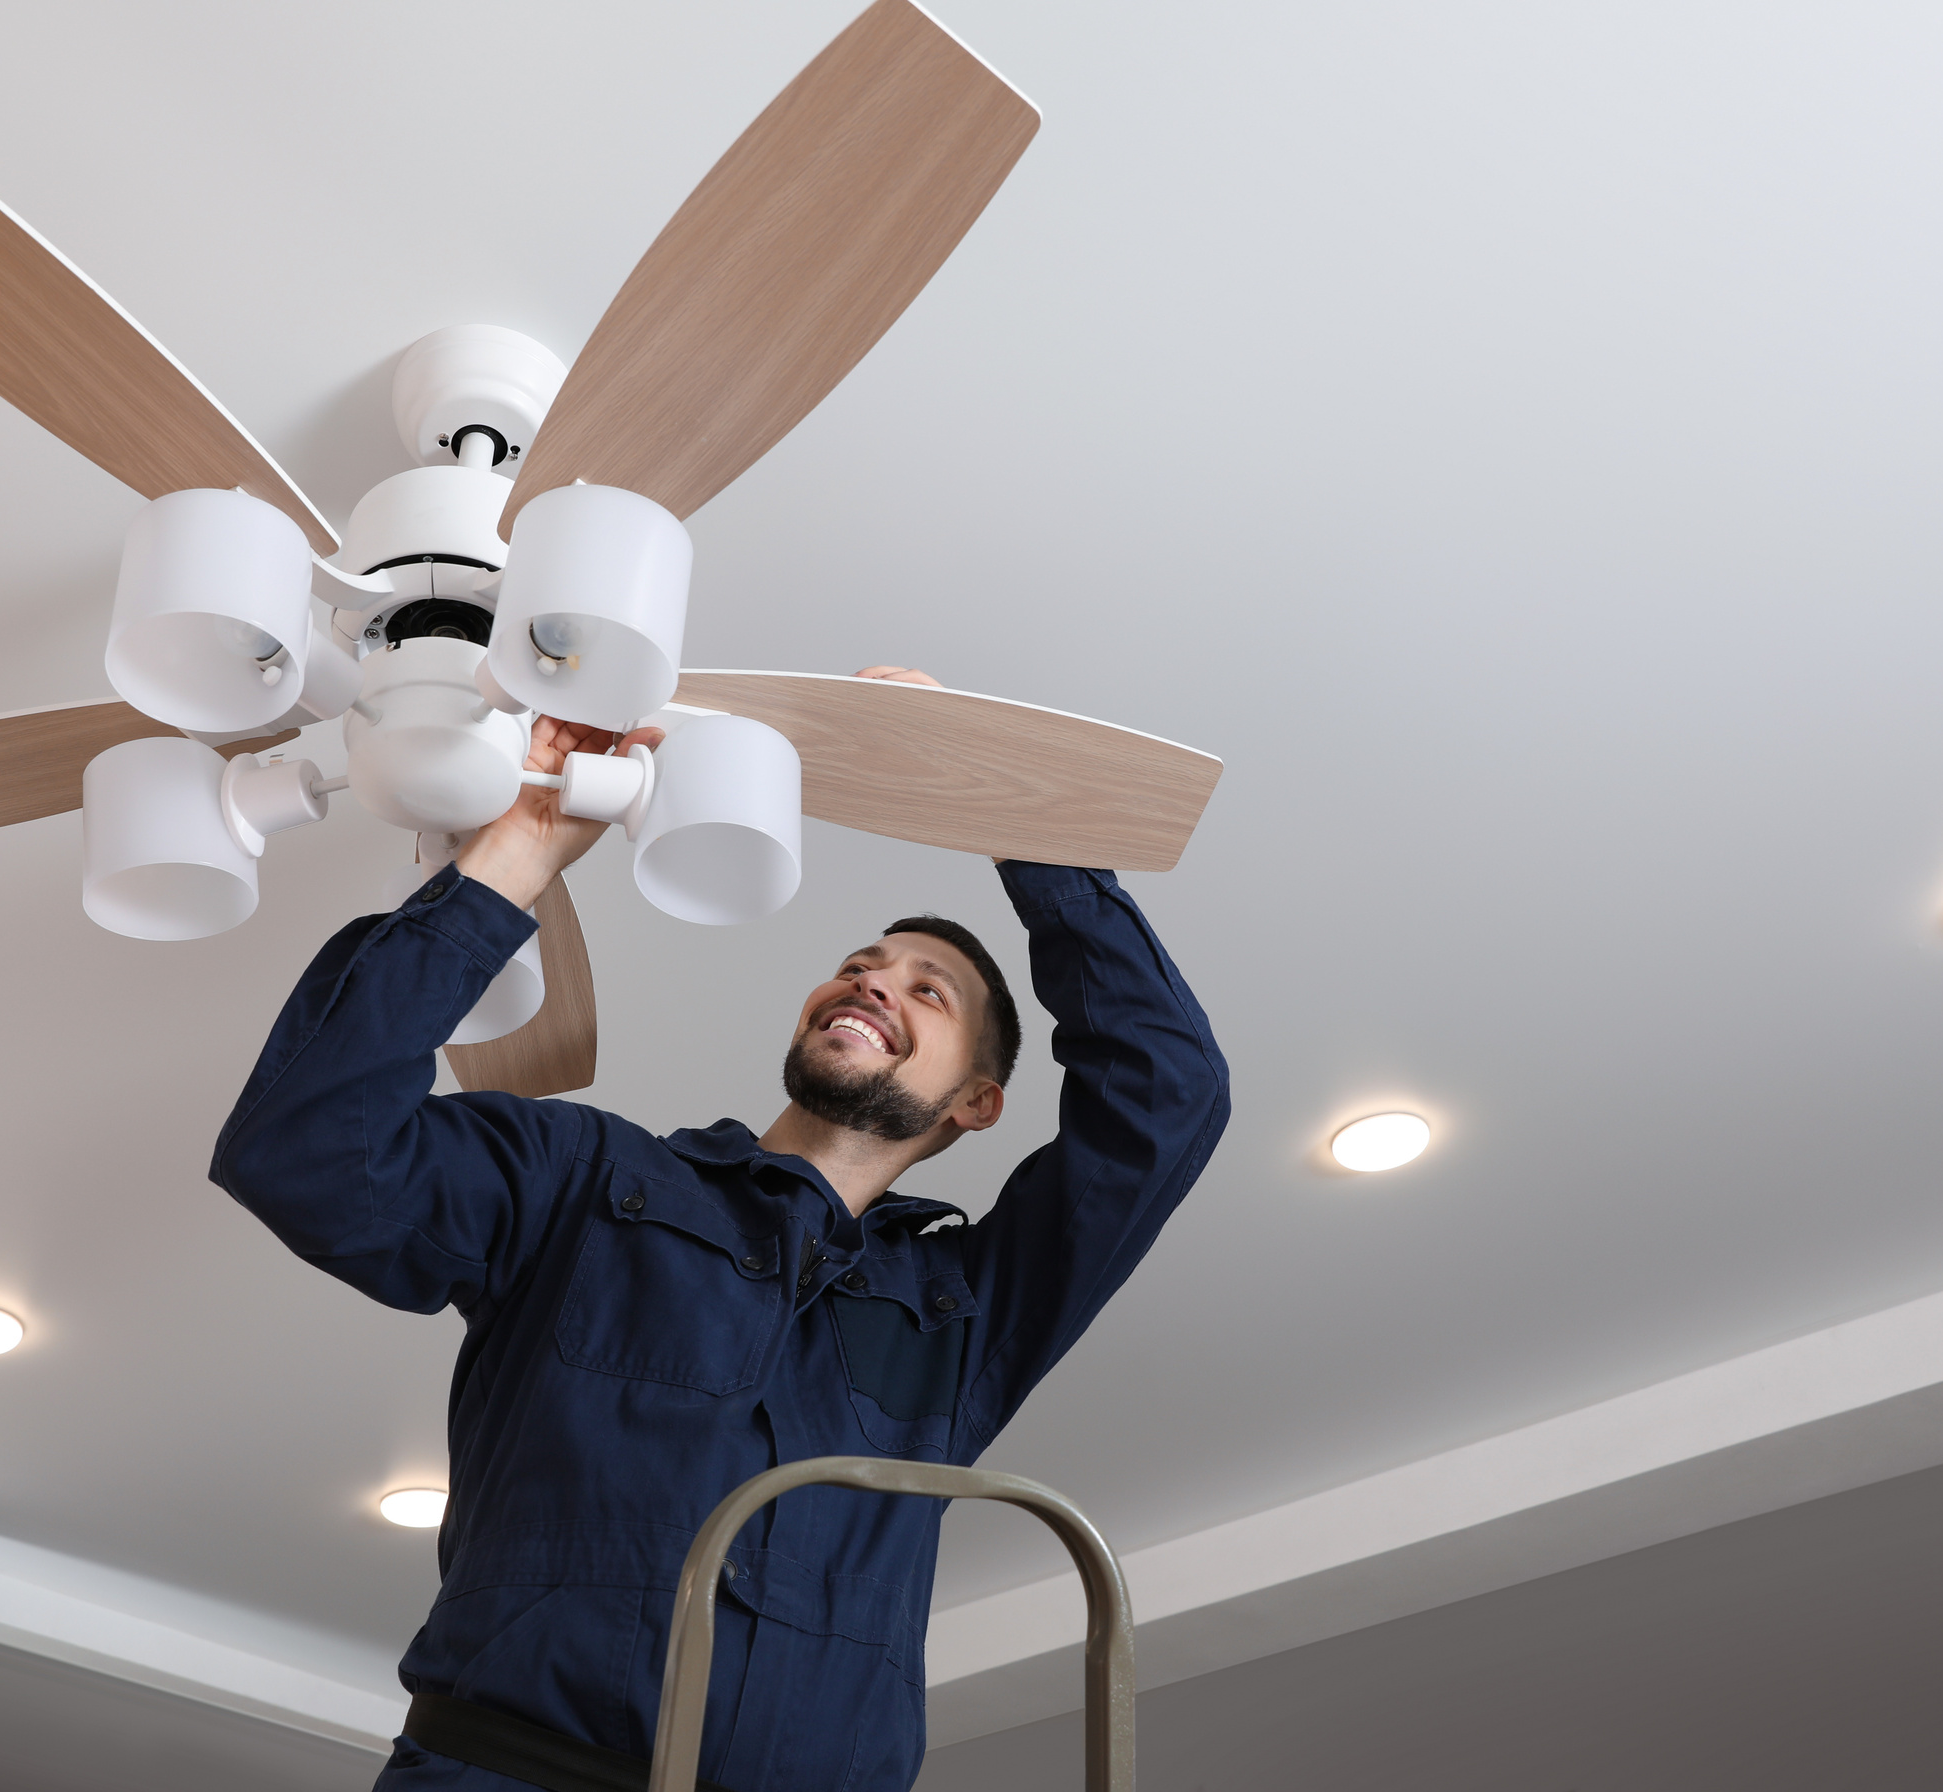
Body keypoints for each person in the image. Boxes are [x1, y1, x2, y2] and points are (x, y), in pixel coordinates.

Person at [210, 668, 1229, 1792]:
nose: (874, 982)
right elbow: (305, 1150)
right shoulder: (584, 1181)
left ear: (976, 1102)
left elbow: (1166, 1094)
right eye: (858, 966)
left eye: (927, 990)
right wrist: (519, 850)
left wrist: (991, 800)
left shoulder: (965, 1315)